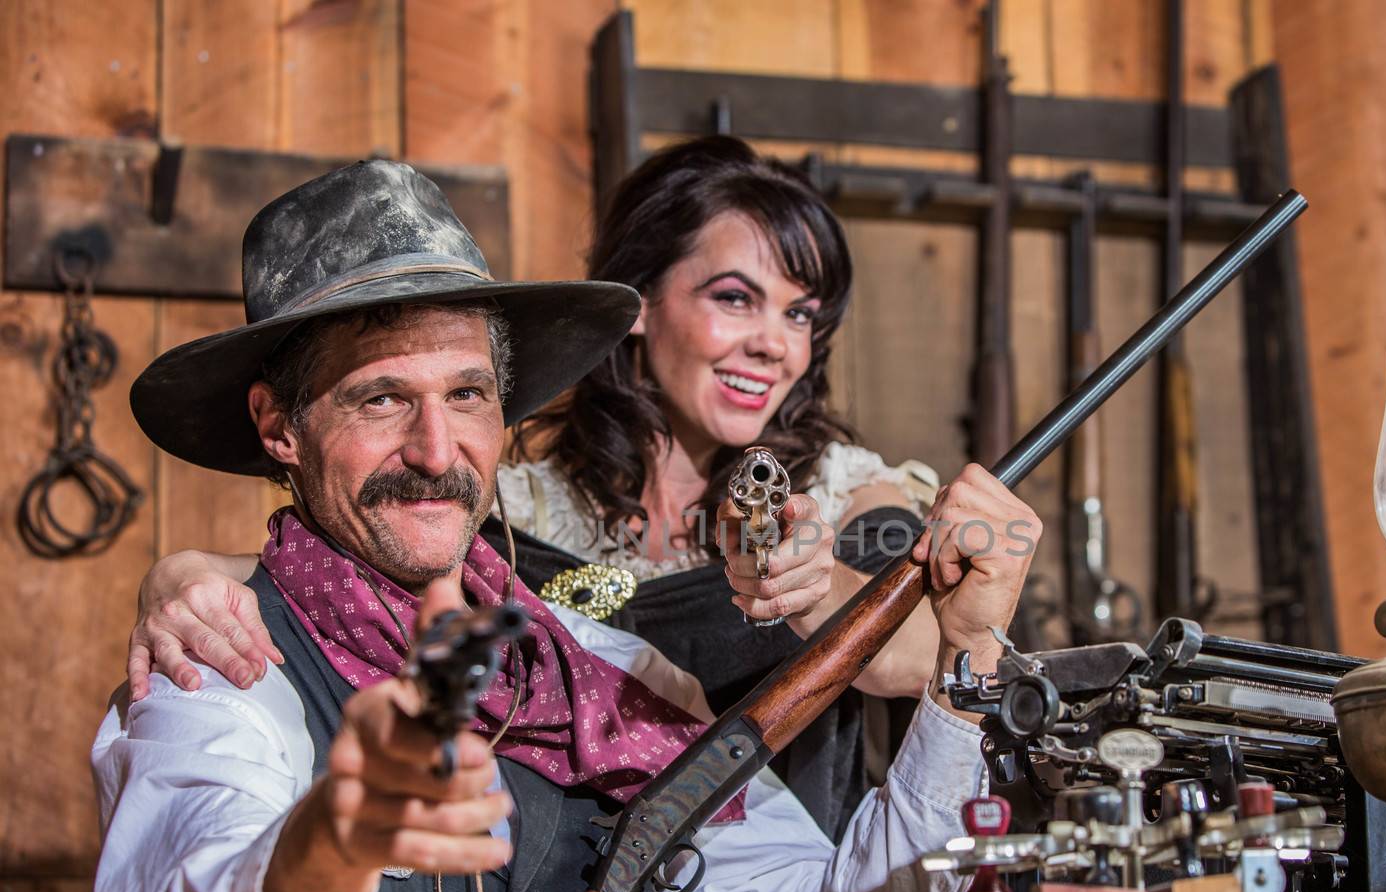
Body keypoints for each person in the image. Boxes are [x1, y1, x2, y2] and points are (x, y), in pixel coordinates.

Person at [93, 160, 1041, 892]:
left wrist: (968, 655)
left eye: (467, 394)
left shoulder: (608, 673)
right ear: (279, 428)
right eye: (382, 397)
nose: (435, 450)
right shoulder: (214, 663)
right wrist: (324, 853)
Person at [127, 136, 945, 842]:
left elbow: (925, 655)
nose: (775, 344)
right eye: (735, 299)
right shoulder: (512, 501)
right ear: (639, 304)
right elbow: (349, 574)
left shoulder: (849, 487)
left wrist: (820, 586)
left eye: (802, 316)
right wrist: (187, 572)